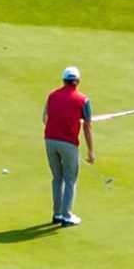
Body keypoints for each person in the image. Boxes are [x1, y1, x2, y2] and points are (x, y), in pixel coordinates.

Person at [44, 65, 94, 227]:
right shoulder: (83, 100)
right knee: (70, 179)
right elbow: (87, 126)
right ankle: (66, 216)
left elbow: (44, 118)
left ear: (64, 80)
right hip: (68, 144)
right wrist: (90, 151)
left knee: (57, 178)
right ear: (77, 81)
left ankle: (57, 214)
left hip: (49, 141)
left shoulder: (52, 95)